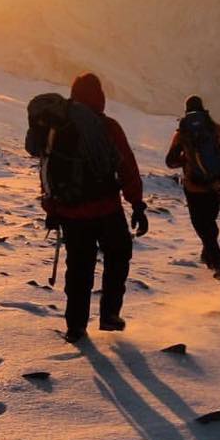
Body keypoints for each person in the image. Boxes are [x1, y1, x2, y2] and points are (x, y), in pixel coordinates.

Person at [31, 72, 147, 343]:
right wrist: (137, 204)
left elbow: (47, 171)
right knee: (118, 256)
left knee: (79, 269)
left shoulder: (56, 128)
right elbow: (127, 167)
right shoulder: (108, 127)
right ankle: (109, 314)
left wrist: (52, 209)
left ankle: (75, 326)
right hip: (106, 209)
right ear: (100, 97)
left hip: (71, 213)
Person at [165, 95, 220, 280]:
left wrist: (186, 160)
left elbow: (170, 161)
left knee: (202, 226)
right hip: (213, 186)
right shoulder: (217, 130)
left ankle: (218, 263)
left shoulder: (182, 133)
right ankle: (208, 255)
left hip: (193, 187)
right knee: (210, 224)